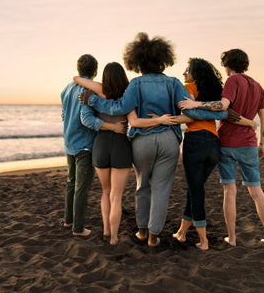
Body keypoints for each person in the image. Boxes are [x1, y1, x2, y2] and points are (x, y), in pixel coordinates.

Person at [79, 32, 233, 247]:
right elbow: (191, 110)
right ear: (163, 60)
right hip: (169, 140)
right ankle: (153, 236)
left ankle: (141, 232)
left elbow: (121, 108)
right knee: (161, 189)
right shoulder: (173, 83)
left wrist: (93, 100)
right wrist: (214, 113)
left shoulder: (136, 83)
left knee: (143, 186)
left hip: (142, 141)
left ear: (138, 61)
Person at [178, 49, 264, 246]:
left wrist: (195, 104)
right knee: (256, 191)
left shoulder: (232, 81)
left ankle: (231, 238)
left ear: (227, 65)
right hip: (249, 144)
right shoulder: (258, 86)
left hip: (228, 143)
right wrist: (262, 144)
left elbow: (222, 107)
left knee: (229, 191)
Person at [73, 62, 175, 245]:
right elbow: (135, 122)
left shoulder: (98, 91)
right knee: (116, 196)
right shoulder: (127, 95)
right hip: (120, 145)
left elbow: (76, 78)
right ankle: (113, 237)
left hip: (101, 144)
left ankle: (105, 230)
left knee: (105, 192)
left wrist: (87, 82)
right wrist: (160, 120)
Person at [61, 54, 126, 237]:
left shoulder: (67, 88)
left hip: (69, 141)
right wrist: (113, 126)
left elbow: (64, 115)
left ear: (78, 69)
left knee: (71, 183)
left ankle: (68, 220)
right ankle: (78, 228)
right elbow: (86, 119)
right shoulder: (88, 90)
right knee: (82, 186)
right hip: (85, 144)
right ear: (96, 71)